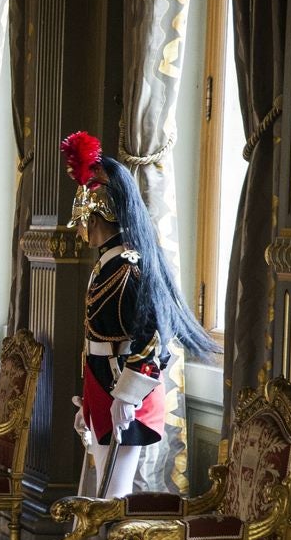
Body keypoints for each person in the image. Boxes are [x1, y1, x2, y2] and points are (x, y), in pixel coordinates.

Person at [61, 131, 217, 500]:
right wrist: (90, 398)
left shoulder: (129, 267)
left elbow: (152, 338)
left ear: (100, 215)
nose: (81, 230)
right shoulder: (108, 265)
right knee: (99, 496)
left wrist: (126, 397)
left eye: (84, 219)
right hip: (103, 384)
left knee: (111, 498)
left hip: (124, 388)